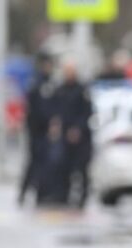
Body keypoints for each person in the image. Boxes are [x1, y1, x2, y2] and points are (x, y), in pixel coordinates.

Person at [19, 52, 57, 206]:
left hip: (47, 131)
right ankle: (24, 192)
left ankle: (42, 194)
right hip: (36, 131)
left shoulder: (51, 83)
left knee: (45, 163)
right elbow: (32, 109)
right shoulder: (35, 83)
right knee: (33, 163)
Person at [55, 61, 94, 209]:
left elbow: (87, 113)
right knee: (65, 168)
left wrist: (78, 129)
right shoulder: (61, 89)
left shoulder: (82, 90)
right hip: (64, 136)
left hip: (82, 138)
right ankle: (64, 196)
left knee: (82, 169)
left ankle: (83, 198)